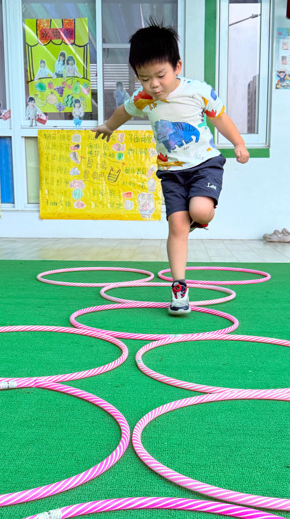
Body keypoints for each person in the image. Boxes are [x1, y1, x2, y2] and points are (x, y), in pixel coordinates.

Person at [94, 21, 249, 316]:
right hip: (171, 173)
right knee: (177, 226)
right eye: (144, 78)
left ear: (177, 66)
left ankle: (197, 218)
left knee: (200, 211)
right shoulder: (143, 99)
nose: (154, 85)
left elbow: (219, 117)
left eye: (160, 75)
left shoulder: (197, 91)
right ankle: (179, 287)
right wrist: (109, 127)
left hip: (204, 164)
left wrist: (239, 143)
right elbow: (123, 112)